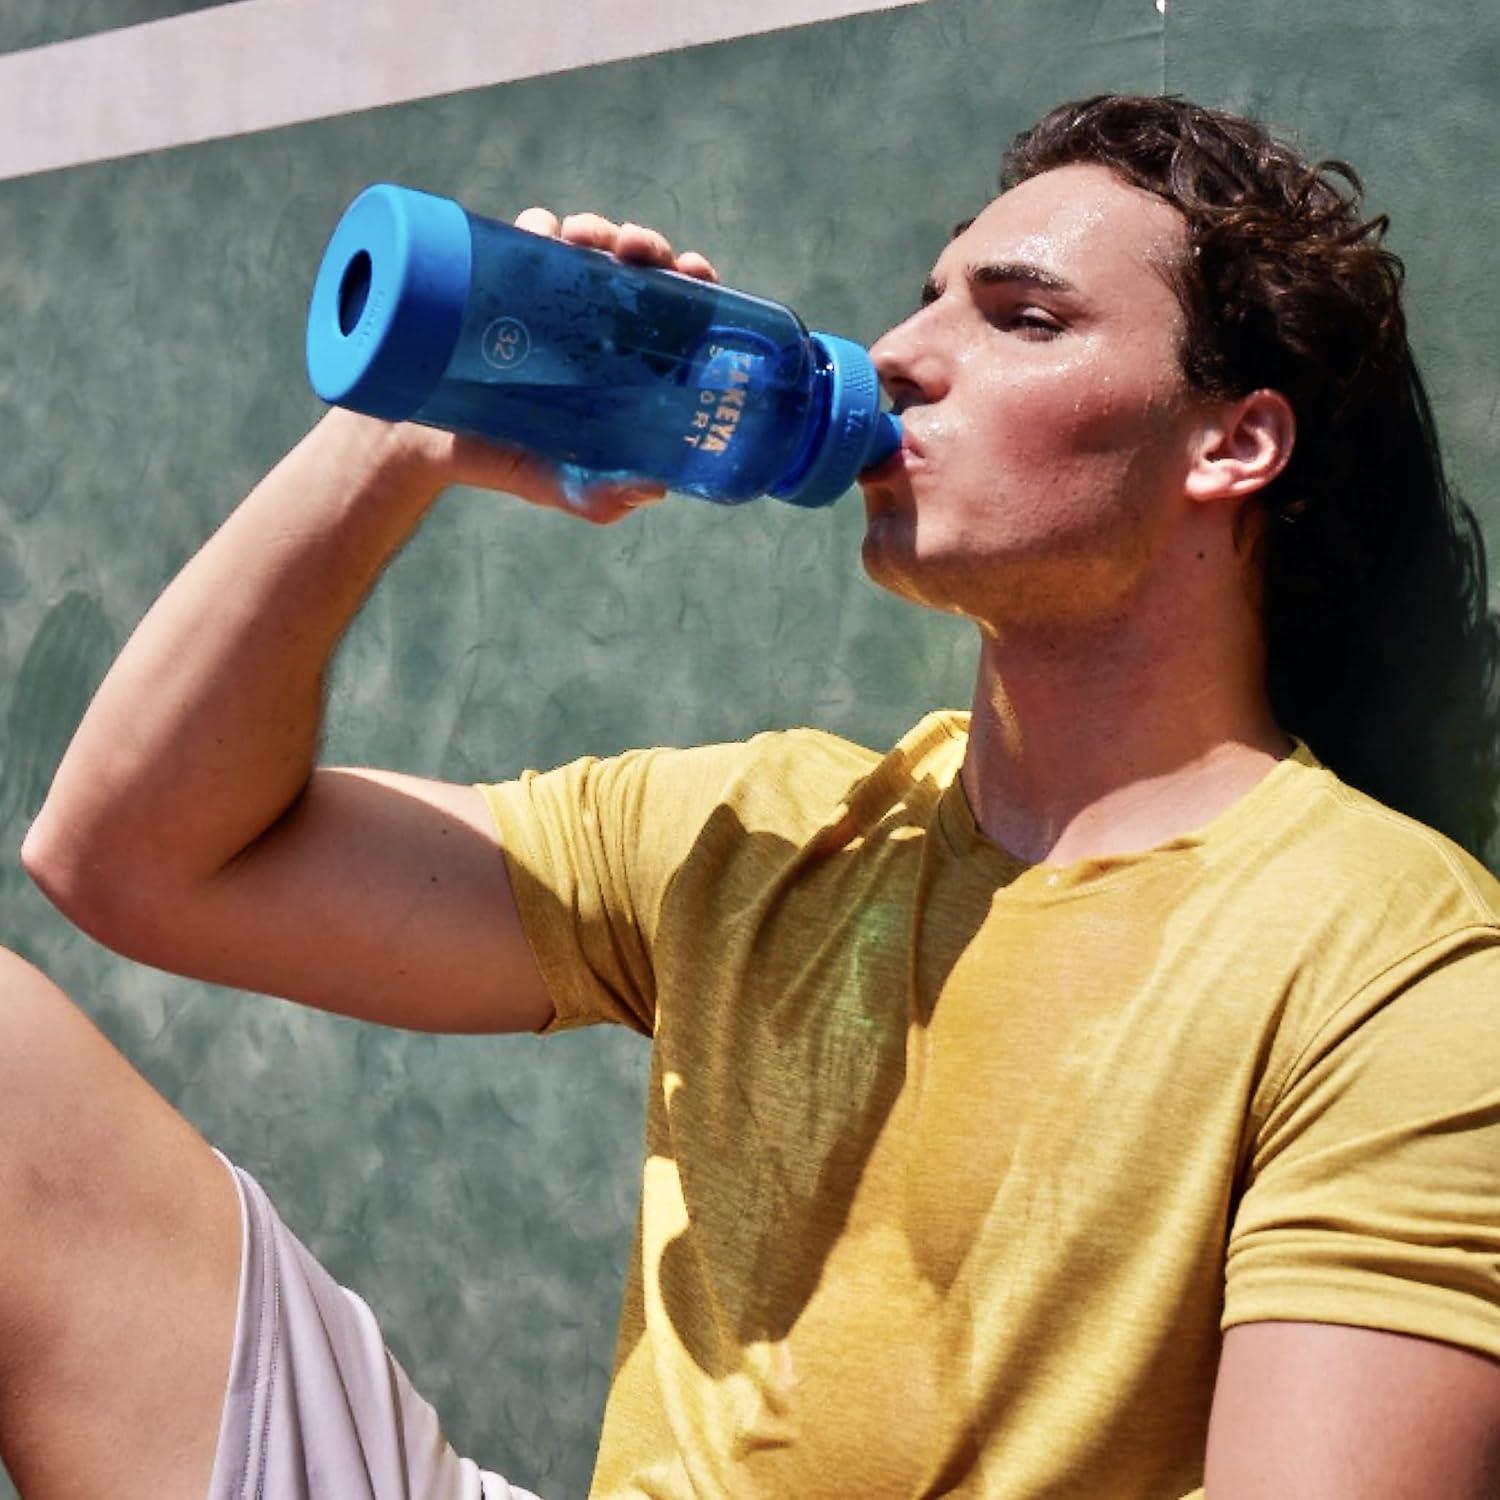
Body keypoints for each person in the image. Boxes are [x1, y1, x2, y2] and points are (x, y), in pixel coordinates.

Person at [14, 93, 1500, 1497]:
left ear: (1232, 442)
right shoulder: (772, 830)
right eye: (928, 299)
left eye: (1023, 319)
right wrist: (408, 432)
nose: (902, 352)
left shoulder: (1385, 963)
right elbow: (133, 860)